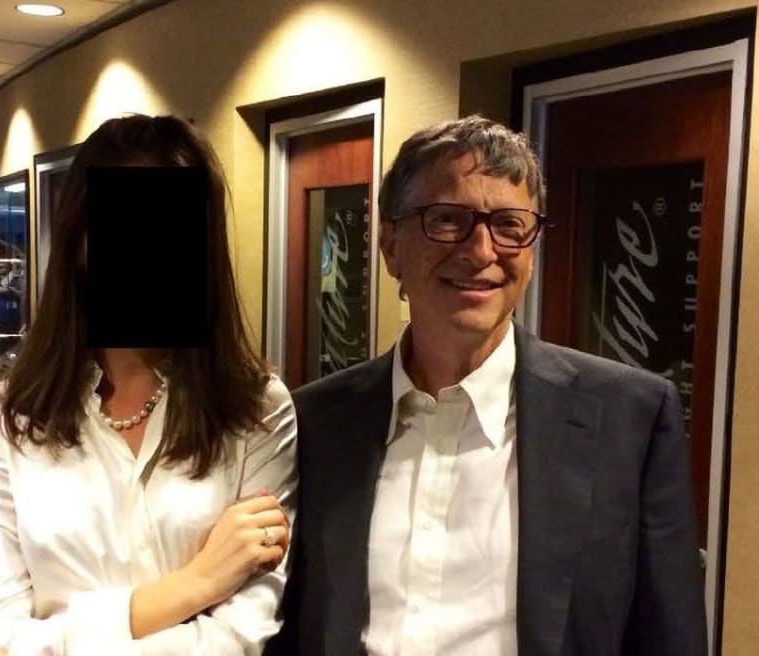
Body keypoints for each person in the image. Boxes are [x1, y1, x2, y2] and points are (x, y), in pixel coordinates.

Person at [265, 115, 707, 656]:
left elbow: (671, 636)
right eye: (447, 220)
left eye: (509, 225)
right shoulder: (314, 422)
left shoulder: (628, 418)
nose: (480, 251)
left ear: (532, 250)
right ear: (390, 246)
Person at [0, 114, 298, 655]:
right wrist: (197, 583)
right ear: (80, 245)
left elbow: (239, 637)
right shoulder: (1, 421)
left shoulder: (256, 408)